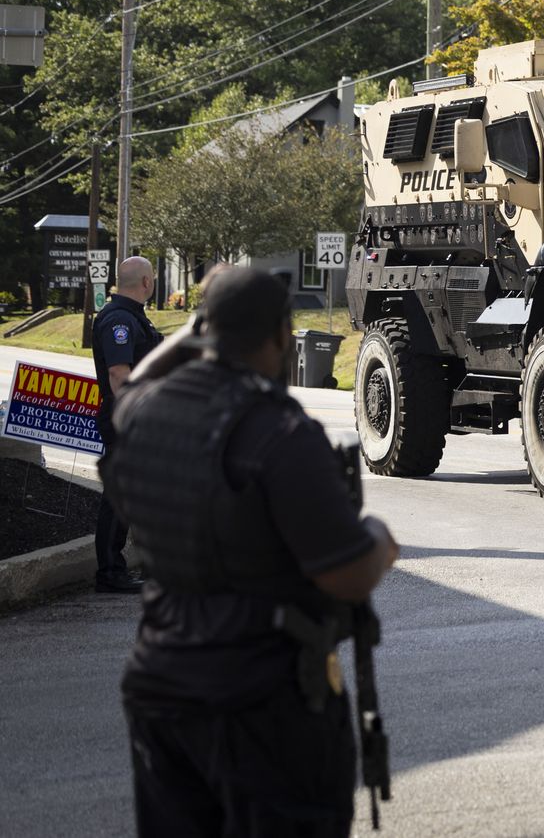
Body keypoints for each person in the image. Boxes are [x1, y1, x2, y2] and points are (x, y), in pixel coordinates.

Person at [101, 266, 400, 837]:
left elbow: (134, 383)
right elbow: (345, 573)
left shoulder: (145, 413)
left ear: (204, 330)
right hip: (262, 705)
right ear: (282, 336)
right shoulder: (280, 433)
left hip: (161, 691)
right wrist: (379, 541)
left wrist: (200, 328)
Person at [91, 255, 162, 593]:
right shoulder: (118, 320)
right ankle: (109, 572)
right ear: (146, 283)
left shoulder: (134, 318)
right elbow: (119, 374)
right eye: (154, 278)